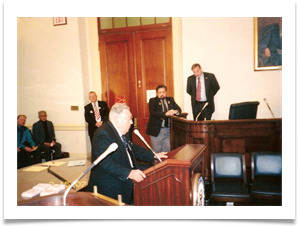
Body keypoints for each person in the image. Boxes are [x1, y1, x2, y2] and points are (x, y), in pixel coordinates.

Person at [87, 103, 168, 204]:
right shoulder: (103, 133)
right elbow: (104, 162)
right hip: (110, 188)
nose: (131, 122)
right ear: (116, 118)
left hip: (125, 182)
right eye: (128, 119)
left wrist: (153, 155)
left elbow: (132, 148)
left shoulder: (123, 131)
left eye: (131, 119)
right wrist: (129, 173)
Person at [146, 85, 181, 153]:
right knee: (157, 152)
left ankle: (166, 164)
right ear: (157, 93)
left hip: (168, 130)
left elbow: (179, 109)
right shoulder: (153, 101)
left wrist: (175, 111)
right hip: (157, 130)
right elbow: (153, 112)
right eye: (160, 92)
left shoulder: (170, 99)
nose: (162, 94)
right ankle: (158, 164)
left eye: (163, 92)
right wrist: (166, 114)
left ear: (166, 92)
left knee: (167, 151)